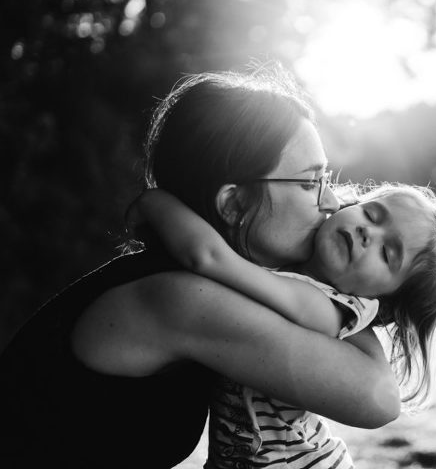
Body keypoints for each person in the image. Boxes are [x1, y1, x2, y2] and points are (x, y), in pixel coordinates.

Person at [0, 67, 401, 469]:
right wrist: (350, 289)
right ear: (234, 204)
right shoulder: (183, 298)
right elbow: (378, 399)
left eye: (326, 177)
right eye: (309, 182)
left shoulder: (178, 276)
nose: (331, 202)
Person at [130, 181, 436, 468]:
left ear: (385, 303)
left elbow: (210, 258)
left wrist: (153, 201)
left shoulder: (324, 307)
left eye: (387, 254)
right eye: (371, 214)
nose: (368, 233)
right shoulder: (291, 266)